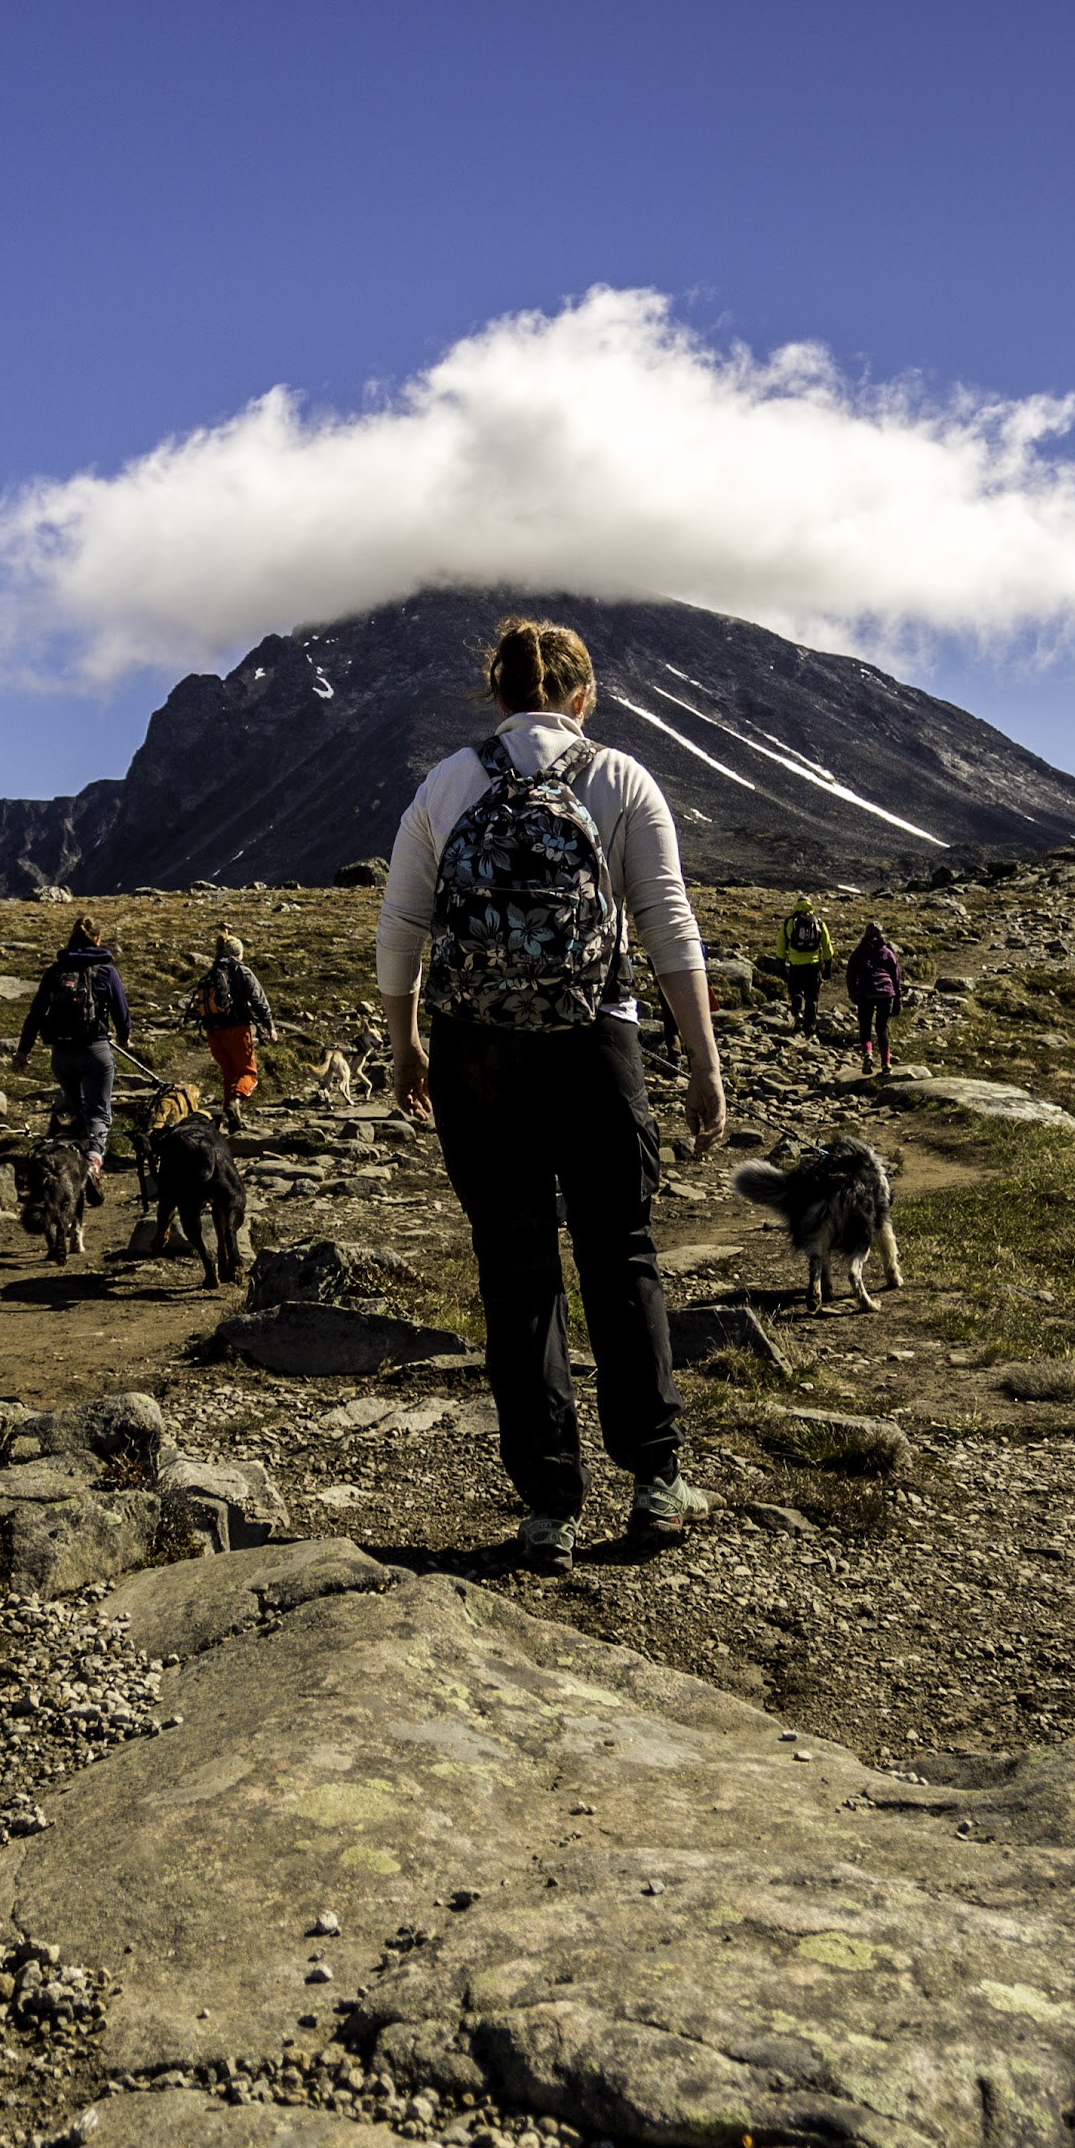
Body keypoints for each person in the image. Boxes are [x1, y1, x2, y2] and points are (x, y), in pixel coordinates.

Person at [380, 615, 727, 1575]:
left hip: (476, 1053)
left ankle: (548, 1507)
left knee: (516, 1267)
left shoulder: (446, 784)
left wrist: (406, 1047)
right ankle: (656, 1483)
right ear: (585, 697)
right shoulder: (620, 780)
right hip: (597, 1039)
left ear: (498, 696)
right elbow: (667, 921)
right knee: (621, 1250)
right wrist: (700, 1059)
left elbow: (401, 924)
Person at [12, 913, 131, 1202]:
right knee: (99, 1113)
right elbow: (121, 1012)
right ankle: (92, 1163)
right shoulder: (106, 971)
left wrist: (23, 1049)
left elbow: (36, 1013)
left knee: (78, 1111)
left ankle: (72, 1165)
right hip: (96, 1051)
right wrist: (124, 1038)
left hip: (62, 1054)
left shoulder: (55, 972)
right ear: (98, 940)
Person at [190, 932, 276, 1126]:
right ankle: (235, 1103)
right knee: (248, 1073)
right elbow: (258, 999)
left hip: (213, 1031)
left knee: (230, 1073)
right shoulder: (240, 970)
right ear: (238, 953)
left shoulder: (213, 972)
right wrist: (269, 1026)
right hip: (236, 1029)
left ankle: (230, 1120)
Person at [844, 919, 907, 1074]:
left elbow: (850, 974)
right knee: (882, 1028)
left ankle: (867, 1054)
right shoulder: (887, 952)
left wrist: (852, 992)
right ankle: (886, 1064)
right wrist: (897, 997)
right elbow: (896, 976)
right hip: (885, 993)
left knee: (865, 1026)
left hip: (865, 992)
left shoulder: (858, 952)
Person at [774, 895, 835, 1037]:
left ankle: (797, 1010)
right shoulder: (819, 922)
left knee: (795, 991)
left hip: (795, 965)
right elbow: (827, 946)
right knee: (812, 997)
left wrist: (781, 965)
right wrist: (828, 965)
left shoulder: (789, 922)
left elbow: (781, 945)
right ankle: (810, 1027)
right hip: (813, 966)